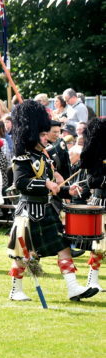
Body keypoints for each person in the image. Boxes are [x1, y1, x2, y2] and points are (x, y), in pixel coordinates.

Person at [6, 100, 93, 301]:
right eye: (43, 135)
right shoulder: (23, 159)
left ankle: (73, 288)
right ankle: (15, 290)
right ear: (33, 134)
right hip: (28, 212)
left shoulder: (44, 158)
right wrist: (45, 184)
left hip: (45, 210)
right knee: (23, 255)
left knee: (62, 247)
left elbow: (52, 187)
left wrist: (66, 191)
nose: (47, 139)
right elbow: (20, 183)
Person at [77, 118, 105, 294]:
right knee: (99, 247)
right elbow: (92, 181)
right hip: (102, 202)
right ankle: (92, 280)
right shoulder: (98, 157)